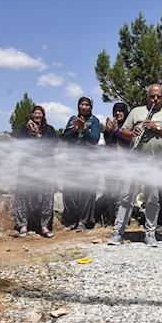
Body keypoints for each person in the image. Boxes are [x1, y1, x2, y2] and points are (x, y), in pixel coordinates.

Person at [108, 84, 162, 247]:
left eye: (159, 96)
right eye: (152, 96)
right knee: (127, 196)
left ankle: (150, 233)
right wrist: (132, 133)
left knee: (152, 198)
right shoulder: (136, 112)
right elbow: (124, 131)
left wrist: (156, 127)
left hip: (156, 163)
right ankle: (118, 232)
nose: (155, 99)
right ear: (147, 96)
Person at [14, 105, 59, 238]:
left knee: (46, 195)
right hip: (27, 168)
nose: (37, 115)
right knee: (22, 194)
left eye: (40, 113)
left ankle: (44, 226)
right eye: (35, 113)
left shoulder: (49, 130)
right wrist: (29, 133)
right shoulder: (24, 129)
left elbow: (53, 145)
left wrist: (38, 135)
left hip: (45, 169)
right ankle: (23, 225)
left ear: (43, 115)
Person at [61, 96, 101, 232]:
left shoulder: (94, 121)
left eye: (87, 105)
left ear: (91, 107)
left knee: (86, 191)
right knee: (71, 191)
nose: (84, 107)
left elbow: (94, 139)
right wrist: (74, 129)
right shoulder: (72, 120)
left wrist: (84, 129)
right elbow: (64, 138)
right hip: (72, 161)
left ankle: (83, 222)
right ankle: (73, 220)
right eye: (81, 104)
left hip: (88, 162)